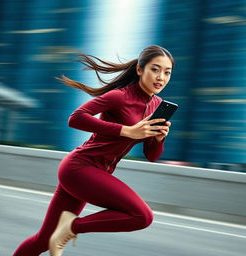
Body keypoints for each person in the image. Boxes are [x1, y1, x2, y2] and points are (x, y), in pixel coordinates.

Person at [12, 45, 174, 256]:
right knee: (142, 216)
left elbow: (152, 156)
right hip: (80, 168)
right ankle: (71, 227)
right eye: (155, 69)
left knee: (44, 240)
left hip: (94, 173)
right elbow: (76, 118)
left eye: (167, 72)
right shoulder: (119, 96)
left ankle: (68, 227)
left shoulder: (157, 105)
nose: (161, 77)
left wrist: (159, 139)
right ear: (140, 70)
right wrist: (127, 131)